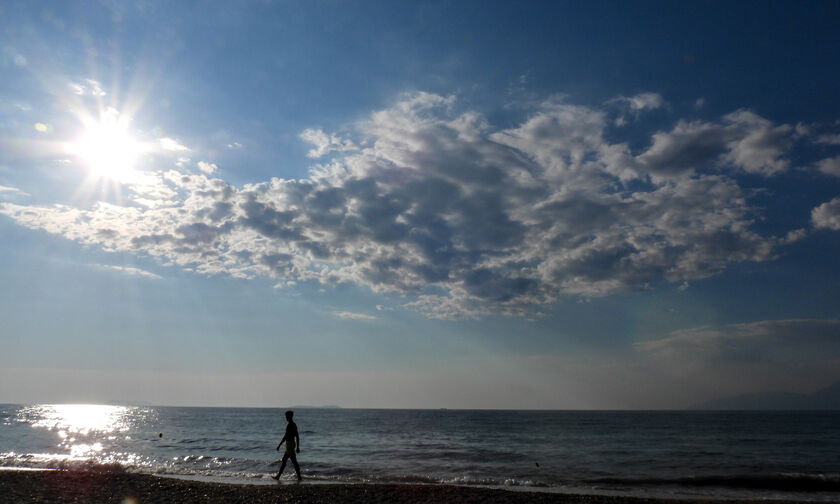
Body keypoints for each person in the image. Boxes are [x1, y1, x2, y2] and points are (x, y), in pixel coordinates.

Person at [272, 410, 301, 481]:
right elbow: (286, 436)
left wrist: (297, 447)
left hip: (290, 445)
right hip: (288, 445)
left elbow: (296, 436)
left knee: (293, 462)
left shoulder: (292, 425)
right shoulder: (290, 425)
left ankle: (299, 477)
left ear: (290, 416)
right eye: (286, 416)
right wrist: (280, 445)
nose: (286, 418)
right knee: (285, 460)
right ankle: (278, 476)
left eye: (287, 416)